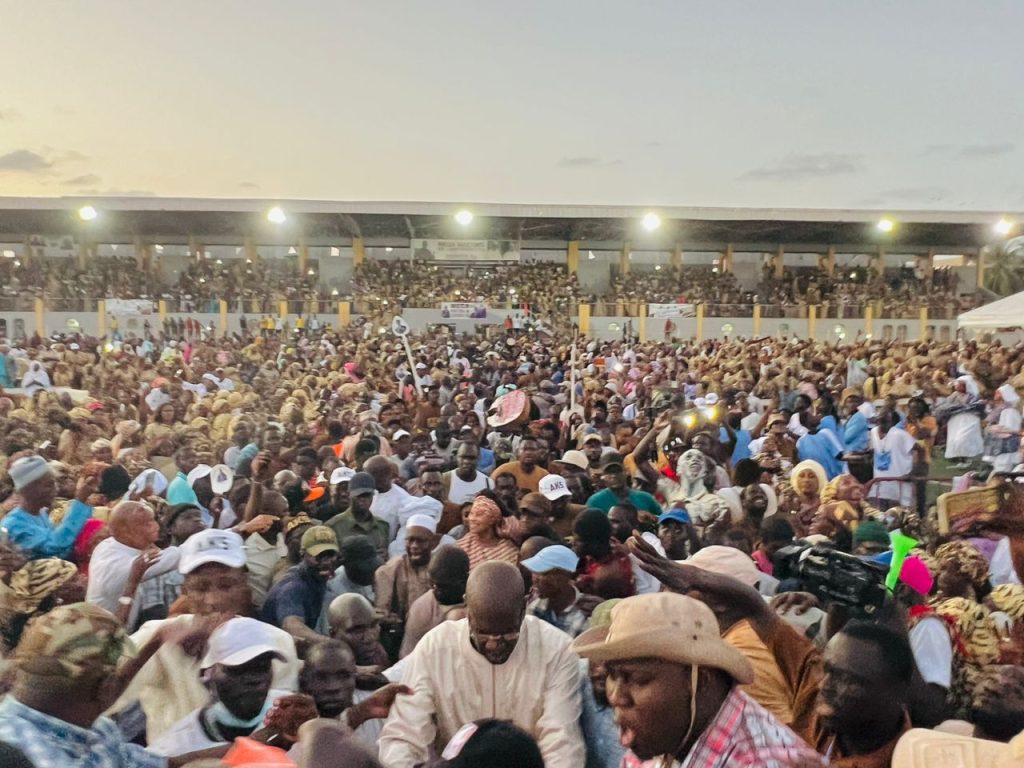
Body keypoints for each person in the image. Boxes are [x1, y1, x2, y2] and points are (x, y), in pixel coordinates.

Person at [572, 592, 823, 767]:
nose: (616, 696)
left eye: (636, 679)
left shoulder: (761, 762)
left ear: (700, 681)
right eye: (612, 675)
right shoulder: (668, 735)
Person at [378, 561, 585, 768]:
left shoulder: (556, 649)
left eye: (507, 633)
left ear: (524, 607)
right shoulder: (436, 648)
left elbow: (561, 742)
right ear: (467, 607)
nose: (494, 644)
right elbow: (404, 735)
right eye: (483, 633)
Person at [118, 528, 300, 743]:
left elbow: (275, 728)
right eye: (201, 588)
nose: (213, 600)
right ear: (185, 591)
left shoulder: (276, 642)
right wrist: (157, 642)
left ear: (245, 584)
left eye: (226, 586)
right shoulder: (159, 636)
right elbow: (98, 691)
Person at [0, 602, 219, 768]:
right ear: (104, 689)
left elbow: (150, 763)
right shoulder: (36, 759)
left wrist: (156, 640)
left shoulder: (82, 725)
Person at [150, 617, 287, 756]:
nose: (255, 679)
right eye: (238, 669)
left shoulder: (291, 712)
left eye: (263, 667)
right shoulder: (175, 747)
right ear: (207, 677)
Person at [86, 499, 180, 628]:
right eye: (147, 524)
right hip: (104, 634)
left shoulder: (114, 543)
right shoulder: (112, 562)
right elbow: (176, 556)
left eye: (153, 520)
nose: (156, 526)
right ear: (126, 531)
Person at [1, 454, 97, 559]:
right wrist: (80, 499)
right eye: (49, 485)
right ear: (28, 490)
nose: (56, 489)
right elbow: (54, 545)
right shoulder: (14, 524)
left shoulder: (40, 513)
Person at [263, 525, 340, 646]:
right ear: (303, 554)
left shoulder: (319, 579)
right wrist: (335, 645)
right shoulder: (292, 587)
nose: (326, 562)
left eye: (330, 555)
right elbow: (293, 627)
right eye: (319, 556)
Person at [400, 544, 470, 658]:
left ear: (465, 580)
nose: (437, 591)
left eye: (444, 586)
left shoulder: (477, 599)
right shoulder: (421, 608)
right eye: (433, 584)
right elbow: (410, 657)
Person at [375, 513, 436, 639]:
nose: (414, 546)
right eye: (410, 540)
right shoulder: (389, 570)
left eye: (420, 541)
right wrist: (387, 619)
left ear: (433, 543)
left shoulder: (440, 567)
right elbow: (381, 611)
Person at [522, 544, 601, 638]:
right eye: (534, 571)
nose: (535, 579)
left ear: (565, 575)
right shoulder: (534, 604)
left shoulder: (587, 612)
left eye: (544, 573)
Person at [319, 535, 381, 634]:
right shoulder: (333, 590)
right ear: (346, 564)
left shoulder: (370, 578)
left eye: (373, 567)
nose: (370, 573)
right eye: (364, 569)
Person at [325, 471, 390, 562]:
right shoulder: (333, 526)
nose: (363, 500)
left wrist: (384, 556)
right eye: (359, 496)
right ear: (350, 495)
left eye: (367, 495)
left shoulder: (382, 526)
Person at [584, 452, 662, 518]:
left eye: (617, 471)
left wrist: (650, 517)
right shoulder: (595, 502)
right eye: (609, 472)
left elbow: (662, 520)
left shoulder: (645, 498)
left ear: (626, 472)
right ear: (603, 477)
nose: (614, 475)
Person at [456, 494, 519, 569]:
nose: (472, 519)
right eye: (471, 514)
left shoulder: (508, 549)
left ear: (492, 519)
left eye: (479, 514)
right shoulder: (461, 547)